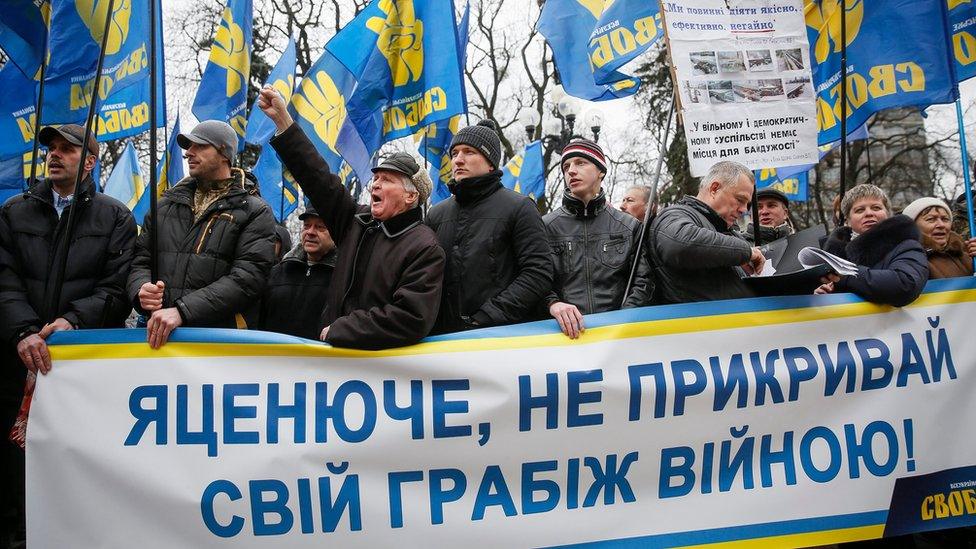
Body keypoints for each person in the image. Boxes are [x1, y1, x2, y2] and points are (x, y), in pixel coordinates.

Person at [0, 124, 136, 547]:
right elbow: (4, 279)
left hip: (77, 368)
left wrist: (73, 323)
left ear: (90, 162)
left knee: (70, 461)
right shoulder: (13, 211)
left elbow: (116, 290)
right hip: (14, 360)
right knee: (11, 466)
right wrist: (23, 331)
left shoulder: (115, 217)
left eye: (67, 149)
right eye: (51, 149)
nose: (54, 155)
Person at [260, 87, 445, 350]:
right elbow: (317, 178)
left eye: (387, 180)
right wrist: (284, 122)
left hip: (380, 374)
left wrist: (342, 329)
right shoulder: (356, 222)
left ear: (411, 196)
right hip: (334, 363)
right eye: (376, 179)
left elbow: (412, 317)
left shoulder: (425, 248)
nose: (375, 186)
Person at [127, 120, 277, 348]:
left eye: (200, 146)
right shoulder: (164, 205)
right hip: (155, 337)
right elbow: (141, 260)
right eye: (188, 147)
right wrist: (141, 290)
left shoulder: (254, 211)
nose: (189, 153)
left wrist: (182, 311)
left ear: (225, 153)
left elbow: (247, 279)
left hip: (214, 344)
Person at [426, 119, 553, 333]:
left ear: (490, 162)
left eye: (469, 152)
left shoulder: (520, 207)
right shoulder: (436, 214)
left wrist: (487, 317)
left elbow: (538, 273)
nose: (458, 160)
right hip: (441, 341)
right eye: (455, 153)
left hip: (499, 340)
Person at [543, 139, 653, 338]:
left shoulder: (629, 226)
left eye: (580, 163)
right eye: (566, 166)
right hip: (563, 340)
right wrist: (553, 303)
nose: (571, 171)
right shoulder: (545, 226)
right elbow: (536, 280)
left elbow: (644, 280)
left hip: (620, 338)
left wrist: (623, 321)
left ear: (601, 171)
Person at [647, 161, 765, 304]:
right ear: (714, 189)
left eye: (747, 204)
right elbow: (680, 244)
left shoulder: (723, 228)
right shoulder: (675, 215)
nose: (744, 209)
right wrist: (747, 253)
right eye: (740, 200)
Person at [816, 184, 928, 306]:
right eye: (859, 210)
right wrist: (823, 295)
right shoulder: (830, 255)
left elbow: (905, 285)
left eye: (876, 208)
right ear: (847, 221)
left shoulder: (906, 246)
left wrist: (846, 275)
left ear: (888, 214)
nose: (869, 213)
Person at [260, 208, 337, 339]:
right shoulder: (277, 272)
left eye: (320, 227)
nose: (310, 232)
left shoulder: (344, 277)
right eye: (307, 226)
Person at [901, 197, 975, 279]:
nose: (941, 225)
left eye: (945, 219)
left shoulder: (967, 254)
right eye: (931, 219)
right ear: (912, 226)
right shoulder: (908, 259)